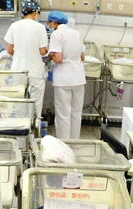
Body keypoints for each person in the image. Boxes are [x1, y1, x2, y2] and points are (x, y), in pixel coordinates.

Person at [46, 11, 86, 140]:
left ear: (53, 22)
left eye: (50, 23)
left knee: (63, 114)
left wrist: (49, 55)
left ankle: (64, 144)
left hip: (64, 78)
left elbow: (58, 58)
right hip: (78, 77)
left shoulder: (56, 35)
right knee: (76, 113)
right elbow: (82, 56)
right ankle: (75, 142)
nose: (50, 25)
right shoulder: (76, 33)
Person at [4, 1, 49, 113]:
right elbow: (43, 51)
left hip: (18, 71)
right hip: (35, 73)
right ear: (35, 12)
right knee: (35, 105)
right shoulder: (40, 27)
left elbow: (9, 50)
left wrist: (21, 52)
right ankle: (34, 127)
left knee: (19, 104)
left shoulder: (14, 26)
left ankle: (20, 127)